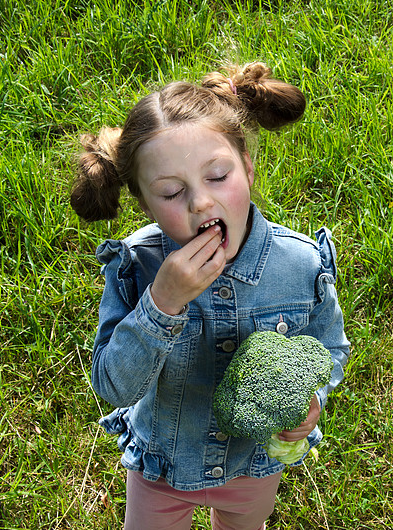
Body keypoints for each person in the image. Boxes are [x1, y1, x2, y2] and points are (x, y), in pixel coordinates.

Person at [69, 62, 349, 530]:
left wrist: (311, 397)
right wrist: (162, 303)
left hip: (253, 467)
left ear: (248, 166)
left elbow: (330, 349)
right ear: (143, 201)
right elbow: (112, 386)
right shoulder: (138, 267)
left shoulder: (300, 265)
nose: (200, 202)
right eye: (172, 192)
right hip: (163, 468)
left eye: (217, 176)